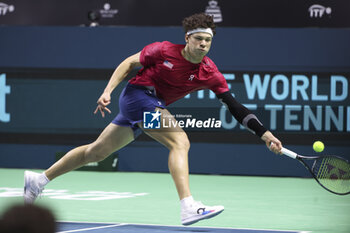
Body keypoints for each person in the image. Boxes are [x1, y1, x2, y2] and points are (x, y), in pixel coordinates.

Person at [23, 13, 282, 225]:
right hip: (138, 96)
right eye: (199, 39)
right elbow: (128, 64)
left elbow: (235, 107)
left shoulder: (210, 72)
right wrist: (107, 91)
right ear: (188, 39)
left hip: (146, 106)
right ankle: (188, 206)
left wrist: (265, 134)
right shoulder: (164, 50)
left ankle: (39, 180)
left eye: (208, 41)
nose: (203, 44)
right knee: (179, 141)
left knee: (96, 152)